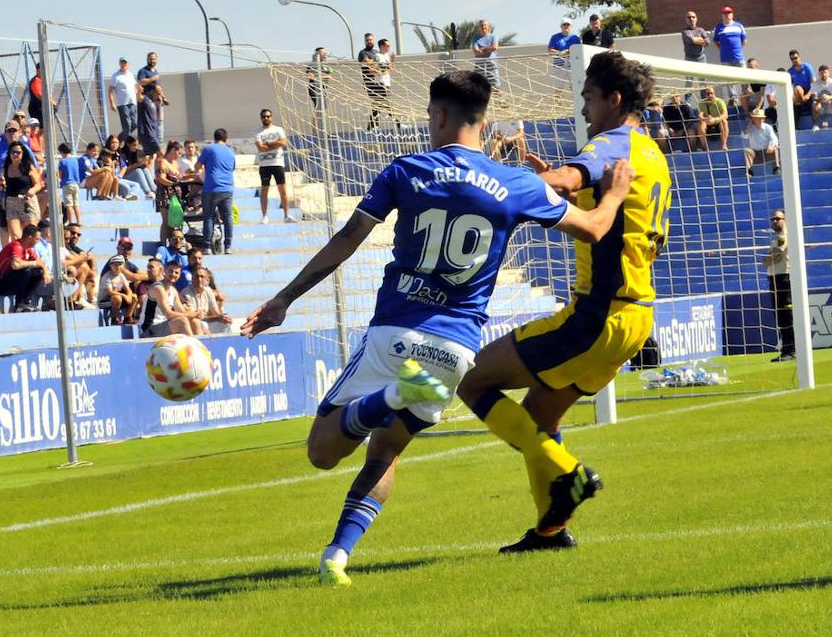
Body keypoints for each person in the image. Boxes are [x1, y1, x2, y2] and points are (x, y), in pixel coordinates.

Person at [240, 68, 636, 585]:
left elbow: (348, 238)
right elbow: (594, 228)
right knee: (386, 451)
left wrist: (282, 300)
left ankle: (381, 403)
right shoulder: (515, 183)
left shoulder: (407, 171)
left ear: (440, 115)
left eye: (429, 115)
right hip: (455, 349)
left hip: (395, 331)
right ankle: (336, 556)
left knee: (322, 451)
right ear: (484, 120)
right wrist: (614, 194)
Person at [443, 51, 668, 556]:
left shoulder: (610, 142)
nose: (584, 108)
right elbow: (604, 204)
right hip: (635, 317)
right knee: (540, 419)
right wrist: (566, 192)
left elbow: (570, 179)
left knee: (471, 378)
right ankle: (550, 531)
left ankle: (570, 473)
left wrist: (506, 186)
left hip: (595, 318)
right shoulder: (651, 152)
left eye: (589, 97)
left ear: (613, 99)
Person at [0, 224, 50, 312]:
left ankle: (24, 302)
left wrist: (45, 272)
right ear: (29, 238)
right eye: (36, 239)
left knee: (38, 272)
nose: (38, 242)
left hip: (10, 280)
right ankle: (19, 304)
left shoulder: (28, 249)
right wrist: (34, 263)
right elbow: (16, 265)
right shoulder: (16, 246)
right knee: (26, 271)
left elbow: (40, 262)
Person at [761, 210, 795, 361]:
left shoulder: (784, 237)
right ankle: (786, 349)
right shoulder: (776, 239)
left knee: (785, 316)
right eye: (773, 219)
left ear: (785, 220)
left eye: (778, 219)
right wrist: (769, 258)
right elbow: (766, 260)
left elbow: (774, 256)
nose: (774, 222)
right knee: (780, 316)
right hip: (775, 279)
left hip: (783, 279)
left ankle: (791, 349)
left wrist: (769, 258)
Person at [197, 127, 236, 254]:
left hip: (211, 187)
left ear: (214, 138)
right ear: (226, 139)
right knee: (227, 218)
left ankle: (207, 247)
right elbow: (232, 168)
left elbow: (197, 166)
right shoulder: (231, 152)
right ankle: (228, 246)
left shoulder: (209, 149)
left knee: (208, 217)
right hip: (227, 188)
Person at [141, 260, 202, 336]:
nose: (173, 274)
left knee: (195, 321)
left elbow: (182, 312)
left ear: (179, 275)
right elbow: (168, 314)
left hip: (163, 326)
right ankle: (192, 346)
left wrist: (195, 313)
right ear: (164, 271)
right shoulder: (158, 288)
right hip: (149, 329)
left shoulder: (173, 291)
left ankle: (199, 346)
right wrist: (192, 315)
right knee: (182, 321)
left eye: (176, 273)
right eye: (171, 271)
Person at [255, 109, 293, 224]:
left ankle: (286, 215)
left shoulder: (278, 130)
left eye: (268, 116)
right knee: (264, 191)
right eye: (264, 117)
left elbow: (283, 142)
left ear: (271, 117)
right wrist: (274, 144)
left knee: (283, 190)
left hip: (278, 163)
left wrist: (268, 144)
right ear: (261, 118)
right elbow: (260, 148)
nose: (266, 118)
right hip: (264, 165)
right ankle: (265, 216)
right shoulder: (258, 133)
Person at [0, 142, 43, 241]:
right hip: (11, 203)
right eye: (12, 152)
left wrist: (32, 191)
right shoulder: (5, 168)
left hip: (27, 202)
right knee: (15, 236)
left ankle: (30, 255)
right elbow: (1, 185)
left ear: (23, 153)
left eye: (18, 152)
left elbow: (38, 184)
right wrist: (1, 184)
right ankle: (20, 254)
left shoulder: (28, 167)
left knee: (30, 235)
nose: (15, 154)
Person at [183, 267, 232, 335]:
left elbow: (216, 313)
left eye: (202, 277)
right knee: (202, 324)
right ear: (192, 279)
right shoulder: (186, 293)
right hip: (195, 325)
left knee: (225, 324)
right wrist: (216, 318)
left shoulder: (208, 291)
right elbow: (195, 317)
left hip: (207, 321)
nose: (199, 279)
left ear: (207, 280)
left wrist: (222, 318)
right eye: (196, 277)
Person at [712, 6, 746, 102]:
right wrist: (722, 50)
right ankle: (733, 99)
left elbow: (744, 39)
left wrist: (738, 50)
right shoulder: (718, 27)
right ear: (722, 16)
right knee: (729, 80)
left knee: (744, 77)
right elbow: (715, 42)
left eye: (729, 13)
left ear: (732, 15)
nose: (727, 15)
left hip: (739, 57)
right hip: (726, 59)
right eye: (725, 14)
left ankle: (745, 95)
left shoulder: (739, 26)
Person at [154, 141, 187, 242]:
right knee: (166, 220)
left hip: (175, 195)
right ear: (173, 150)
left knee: (173, 221)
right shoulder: (162, 162)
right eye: (179, 153)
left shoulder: (175, 163)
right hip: (165, 193)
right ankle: (163, 243)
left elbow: (180, 176)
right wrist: (172, 184)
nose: (179, 156)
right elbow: (160, 178)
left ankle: (172, 241)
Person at [108, 56, 138, 140]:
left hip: (132, 103)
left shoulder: (130, 74)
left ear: (128, 64)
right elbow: (110, 90)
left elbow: (135, 86)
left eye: (125, 62)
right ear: (119, 63)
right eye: (122, 62)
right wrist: (112, 103)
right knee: (127, 126)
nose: (123, 64)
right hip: (123, 104)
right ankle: (118, 141)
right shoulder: (116, 75)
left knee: (135, 124)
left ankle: (118, 140)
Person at [742, 109, 779, 177]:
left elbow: (774, 139)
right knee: (747, 151)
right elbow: (743, 136)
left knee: (775, 148)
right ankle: (750, 171)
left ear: (763, 119)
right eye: (756, 118)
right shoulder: (750, 128)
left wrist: (771, 146)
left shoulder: (768, 127)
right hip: (755, 154)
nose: (758, 120)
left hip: (767, 152)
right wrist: (749, 127)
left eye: (760, 118)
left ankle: (776, 168)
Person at [808, 65, 832, 131]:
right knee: (814, 103)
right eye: (821, 73)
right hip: (820, 105)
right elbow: (814, 97)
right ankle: (816, 125)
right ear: (819, 74)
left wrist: (828, 97)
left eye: (825, 72)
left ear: (829, 73)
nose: (823, 75)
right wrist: (820, 100)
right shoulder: (815, 84)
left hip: (831, 104)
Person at [696, 87, 729, 151]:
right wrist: (706, 119)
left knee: (724, 122)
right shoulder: (701, 103)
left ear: (714, 93)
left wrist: (715, 119)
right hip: (707, 123)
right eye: (708, 94)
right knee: (701, 124)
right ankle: (704, 147)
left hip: (718, 122)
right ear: (705, 95)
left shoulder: (720, 101)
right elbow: (701, 116)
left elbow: (725, 115)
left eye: (711, 93)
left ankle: (724, 145)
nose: (710, 95)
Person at [58, 142, 83, 225]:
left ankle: (70, 221)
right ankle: (79, 221)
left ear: (61, 152)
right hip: (76, 184)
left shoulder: (62, 161)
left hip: (67, 184)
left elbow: (60, 175)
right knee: (76, 204)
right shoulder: (75, 160)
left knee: (68, 204)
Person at [472, 19, 501, 89]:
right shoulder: (476, 38)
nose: (483, 27)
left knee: (495, 86)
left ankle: (496, 99)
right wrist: (489, 49)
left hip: (491, 65)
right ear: (479, 27)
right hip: (479, 65)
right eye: (481, 25)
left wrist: (483, 49)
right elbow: (476, 51)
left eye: (485, 25)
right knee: (478, 86)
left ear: (488, 27)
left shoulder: (493, 36)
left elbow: (495, 47)